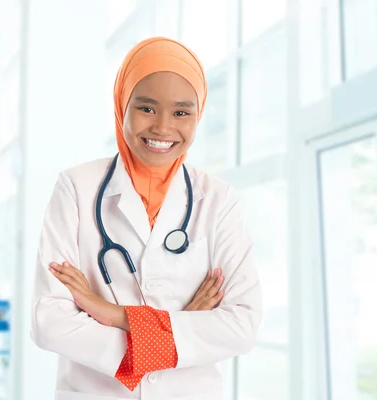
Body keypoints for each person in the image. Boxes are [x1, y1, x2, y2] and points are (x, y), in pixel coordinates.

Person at [31, 37, 262, 400]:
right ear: (122, 104)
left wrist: (115, 315)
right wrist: (181, 327)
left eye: (182, 112)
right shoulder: (76, 188)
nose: (163, 127)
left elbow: (242, 326)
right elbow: (50, 323)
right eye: (147, 108)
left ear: (198, 116)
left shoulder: (218, 200)